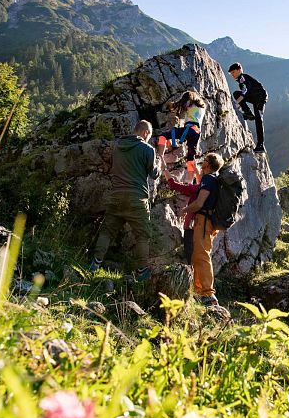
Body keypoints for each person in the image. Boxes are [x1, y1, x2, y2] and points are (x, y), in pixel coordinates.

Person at [87, 120, 160, 281]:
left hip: (116, 196)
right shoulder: (147, 149)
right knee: (142, 235)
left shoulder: (118, 146)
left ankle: (94, 264)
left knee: (107, 231)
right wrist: (159, 162)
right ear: (146, 133)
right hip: (137, 199)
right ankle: (142, 272)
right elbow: (154, 174)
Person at [182, 152, 224, 306]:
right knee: (198, 255)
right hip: (208, 222)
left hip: (204, 221)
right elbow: (201, 183)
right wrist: (193, 166)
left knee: (202, 256)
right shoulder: (212, 178)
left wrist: (184, 210)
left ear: (208, 164)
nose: (203, 161)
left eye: (205, 160)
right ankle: (199, 291)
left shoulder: (209, 179)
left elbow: (199, 203)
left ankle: (208, 294)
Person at [157, 90, 206, 183]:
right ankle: (189, 181)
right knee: (191, 157)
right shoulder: (202, 106)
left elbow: (175, 105)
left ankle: (160, 157)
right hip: (196, 132)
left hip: (189, 129)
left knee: (163, 136)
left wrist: (171, 105)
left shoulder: (189, 102)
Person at [228, 63, 268, 154]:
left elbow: (245, 92)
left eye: (233, 72)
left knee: (258, 120)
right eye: (231, 73)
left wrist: (235, 104)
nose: (232, 75)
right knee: (236, 94)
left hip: (260, 98)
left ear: (239, 70)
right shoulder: (240, 80)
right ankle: (248, 113)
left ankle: (260, 145)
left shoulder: (243, 78)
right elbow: (244, 93)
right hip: (254, 97)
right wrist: (239, 104)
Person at [165, 173, 201, 264]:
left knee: (190, 256)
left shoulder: (196, 189)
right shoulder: (210, 189)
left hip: (191, 227)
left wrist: (164, 169)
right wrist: (196, 171)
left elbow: (173, 185)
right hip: (204, 228)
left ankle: (191, 271)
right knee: (199, 256)